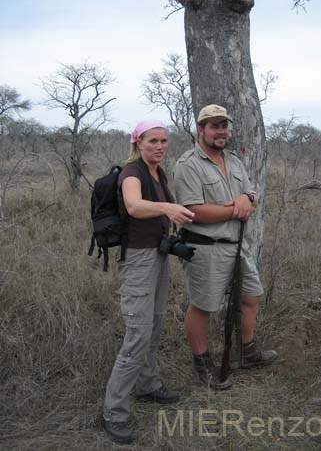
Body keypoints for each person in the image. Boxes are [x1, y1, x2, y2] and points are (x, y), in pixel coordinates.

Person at [173, 104, 278, 390]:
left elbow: (250, 195)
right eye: (214, 126)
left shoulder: (232, 160)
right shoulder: (187, 165)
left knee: (252, 296)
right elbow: (193, 211)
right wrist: (236, 207)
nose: (221, 131)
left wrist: (248, 198)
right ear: (201, 129)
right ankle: (202, 364)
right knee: (203, 306)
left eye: (224, 126)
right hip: (206, 247)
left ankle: (248, 352)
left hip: (237, 244)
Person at [103, 119, 194, 444]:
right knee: (137, 335)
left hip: (157, 256)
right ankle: (114, 411)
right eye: (152, 141)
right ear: (138, 143)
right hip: (138, 262)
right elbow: (134, 205)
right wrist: (168, 207)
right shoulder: (132, 172)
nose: (159, 146)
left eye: (164, 141)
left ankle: (147, 385)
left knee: (154, 327)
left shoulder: (159, 173)